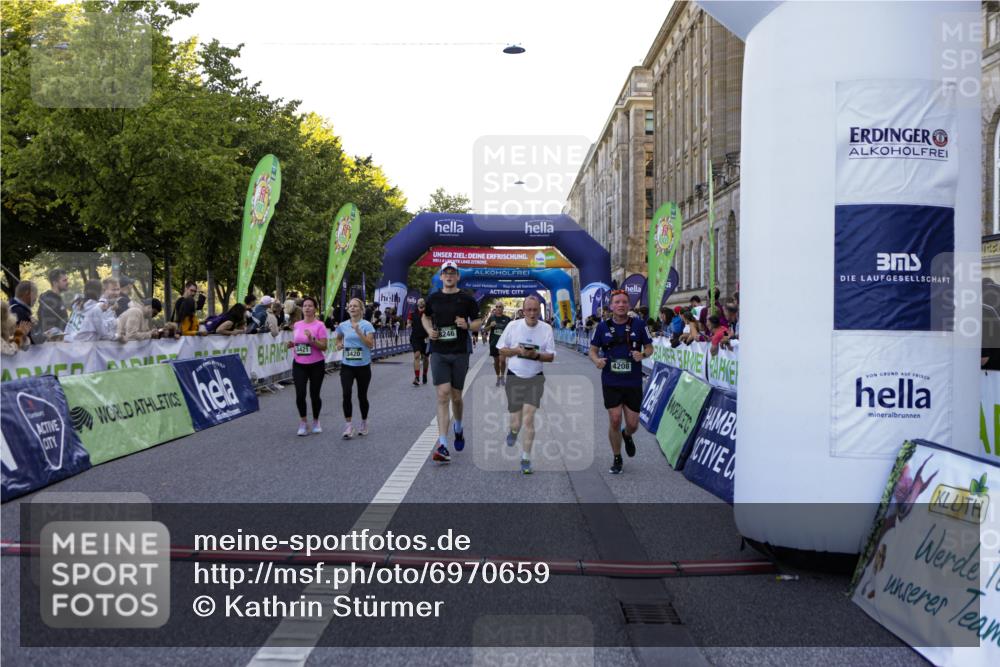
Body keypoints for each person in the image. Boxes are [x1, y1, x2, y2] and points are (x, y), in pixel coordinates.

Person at [589, 289, 654, 474]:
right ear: (611, 306)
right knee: (615, 419)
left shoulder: (640, 325)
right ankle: (617, 457)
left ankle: (627, 435)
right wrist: (596, 361)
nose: (621, 305)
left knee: (632, 424)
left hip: (633, 381)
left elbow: (650, 348)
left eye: (624, 302)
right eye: (617, 302)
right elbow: (592, 350)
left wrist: (642, 354)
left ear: (629, 305)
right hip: (611, 380)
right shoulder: (602, 327)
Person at [423, 261, 482, 463]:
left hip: (459, 352)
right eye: (445, 273)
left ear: (458, 277)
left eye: (452, 273)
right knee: (443, 394)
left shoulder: (467, 299)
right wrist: (429, 330)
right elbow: (425, 317)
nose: (448, 276)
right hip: (439, 351)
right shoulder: (433, 298)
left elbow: (478, 323)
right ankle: (443, 445)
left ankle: (458, 426)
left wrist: (467, 324)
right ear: (441, 277)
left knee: (456, 397)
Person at [497, 296, 556, 475]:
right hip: (515, 376)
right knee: (516, 421)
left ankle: (526, 458)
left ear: (539, 310)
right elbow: (501, 349)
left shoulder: (546, 329)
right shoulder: (513, 326)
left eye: (535, 310)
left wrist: (535, 355)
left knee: (529, 418)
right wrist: (517, 351)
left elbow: (551, 356)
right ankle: (514, 432)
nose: (532, 313)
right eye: (528, 310)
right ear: (523, 311)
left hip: (535, 378)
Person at [286, 296, 328, 436]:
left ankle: (316, 421)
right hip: (299, 364)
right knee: (300, 394)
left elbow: (324, 347)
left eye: (310, 306)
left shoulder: (320, 325)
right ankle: (303, 422)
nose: (307, 308)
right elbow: (298, 342)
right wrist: (292, 345)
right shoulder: (297, 325)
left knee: (314, 395)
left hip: (316, 364)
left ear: (315, 309)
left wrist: (312, 340)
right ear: (302, 308)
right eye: (305, 306)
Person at [335, 297, 376, 438]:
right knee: (346, 394)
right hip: (347, 365)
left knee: (361, 396)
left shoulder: (367, 325)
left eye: (355, 306)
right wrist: (339, 344)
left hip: (363, 366)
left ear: (361, 309)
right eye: (350, 306)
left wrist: (358, 331)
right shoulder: (343, 325)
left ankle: (364, 422)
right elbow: (339, 338)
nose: (352, 308)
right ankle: (348, 426)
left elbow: (370, 344)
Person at [484, 303, 512, 386]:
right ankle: (498, 376)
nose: (498, 308)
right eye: (497, 307)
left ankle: (502, 376)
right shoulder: (491, 318)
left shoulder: (507, 319)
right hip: (494, 343)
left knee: (502, 361)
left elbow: (511, 331)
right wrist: (490, 326)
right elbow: (484, 330)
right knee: (496, 362)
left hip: (503, 345)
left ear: (503, 308)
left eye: (500, 307)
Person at [38, 268, 69, 336]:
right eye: (64, 280)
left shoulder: (57, 298)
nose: (67, 282)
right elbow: (48, 327)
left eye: (67, 279)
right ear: (55, 283)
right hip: (55, 343)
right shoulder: (49, 300)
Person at [410, 297, 430, 386]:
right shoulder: (413, 313)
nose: (421, 303)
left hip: (426, 338)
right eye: (419, 302)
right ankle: (417, 377)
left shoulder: (428, 313)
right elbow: (409, 321)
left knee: (425, 358)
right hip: (415, 337)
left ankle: (424, 374)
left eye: (422, 302)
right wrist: (408, 324)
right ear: (417, 304)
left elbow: (431, 323)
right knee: (417, 355)